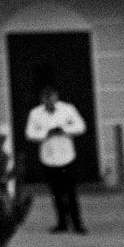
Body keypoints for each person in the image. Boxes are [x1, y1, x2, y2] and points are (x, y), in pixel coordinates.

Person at [24, 86, 87, 234]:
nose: (49, 101)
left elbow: (81, 126)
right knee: (56, 193)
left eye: (51, 97)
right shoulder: (35, 113)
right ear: (42, 99)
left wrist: (64, 129)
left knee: (71, 192)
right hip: (49, 158)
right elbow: (30, 133)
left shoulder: (67, 109)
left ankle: (77, 223)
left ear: (56, 97)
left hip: (67, 157)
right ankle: (62, 223)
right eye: (46, 98)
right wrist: (47, 133)